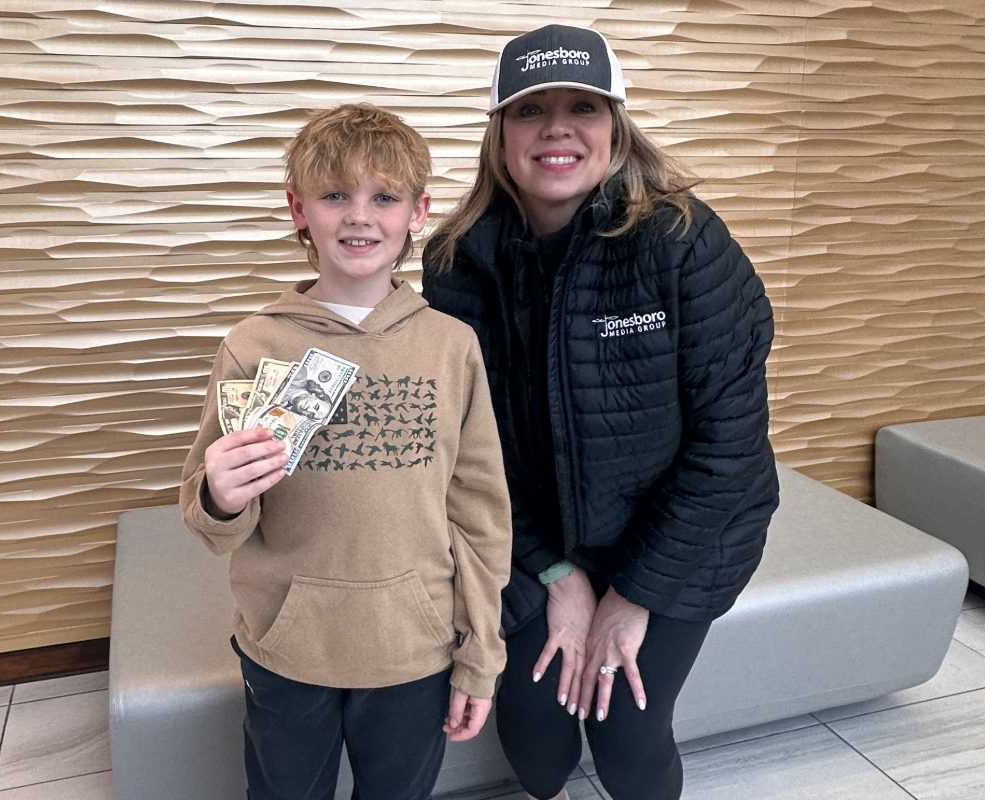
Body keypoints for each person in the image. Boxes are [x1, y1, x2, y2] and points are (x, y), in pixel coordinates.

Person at [422, 24, 780, 800]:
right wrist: (555, 573)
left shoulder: (683, 243)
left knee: (627, 735)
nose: (557, 127)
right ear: (500, 133)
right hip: (531, 537)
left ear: (616, 127)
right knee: (540, 747)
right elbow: (474, 447)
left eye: (583, 106)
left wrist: (631, 594)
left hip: (681, 538)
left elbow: (729, 450)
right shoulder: (457, 261)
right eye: (530, 110)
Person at [180, 103, 512, 800]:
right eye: (335, 196)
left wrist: (481, 654)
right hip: (285, 646)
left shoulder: (453, 347)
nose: (360, 217)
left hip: (414, 650)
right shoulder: (254, 344)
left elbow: (480, 515)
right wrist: (219, 493)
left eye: (384, 197)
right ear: (299, 210)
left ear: (418, 212)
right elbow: (213, 524)